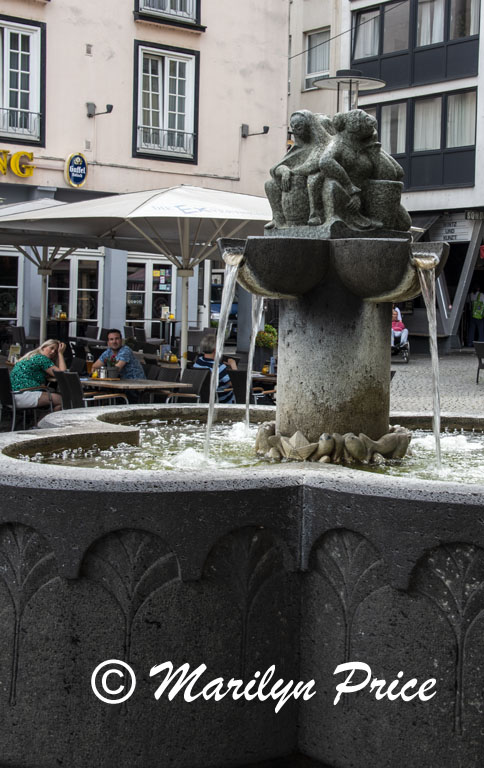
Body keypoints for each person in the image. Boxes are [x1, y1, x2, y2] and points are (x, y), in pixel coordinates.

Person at [9, 339, 66, 412]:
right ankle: (42, 422)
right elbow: (62, 374)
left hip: (12, 395)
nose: (52, 352)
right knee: (62, 401)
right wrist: (60, 353)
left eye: (55, 351)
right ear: (43, 347)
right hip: (23, 394)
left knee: (54, 396)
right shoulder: (41, 358)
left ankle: (41, 421)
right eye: (51, 348)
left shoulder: (31, 356)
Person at [193, 335, 237, 403]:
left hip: (203, 399)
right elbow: (236, 383)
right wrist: (233, 365)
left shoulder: (198, 362)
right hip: (222, 400)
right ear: (216, 350)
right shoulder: (219, 367)